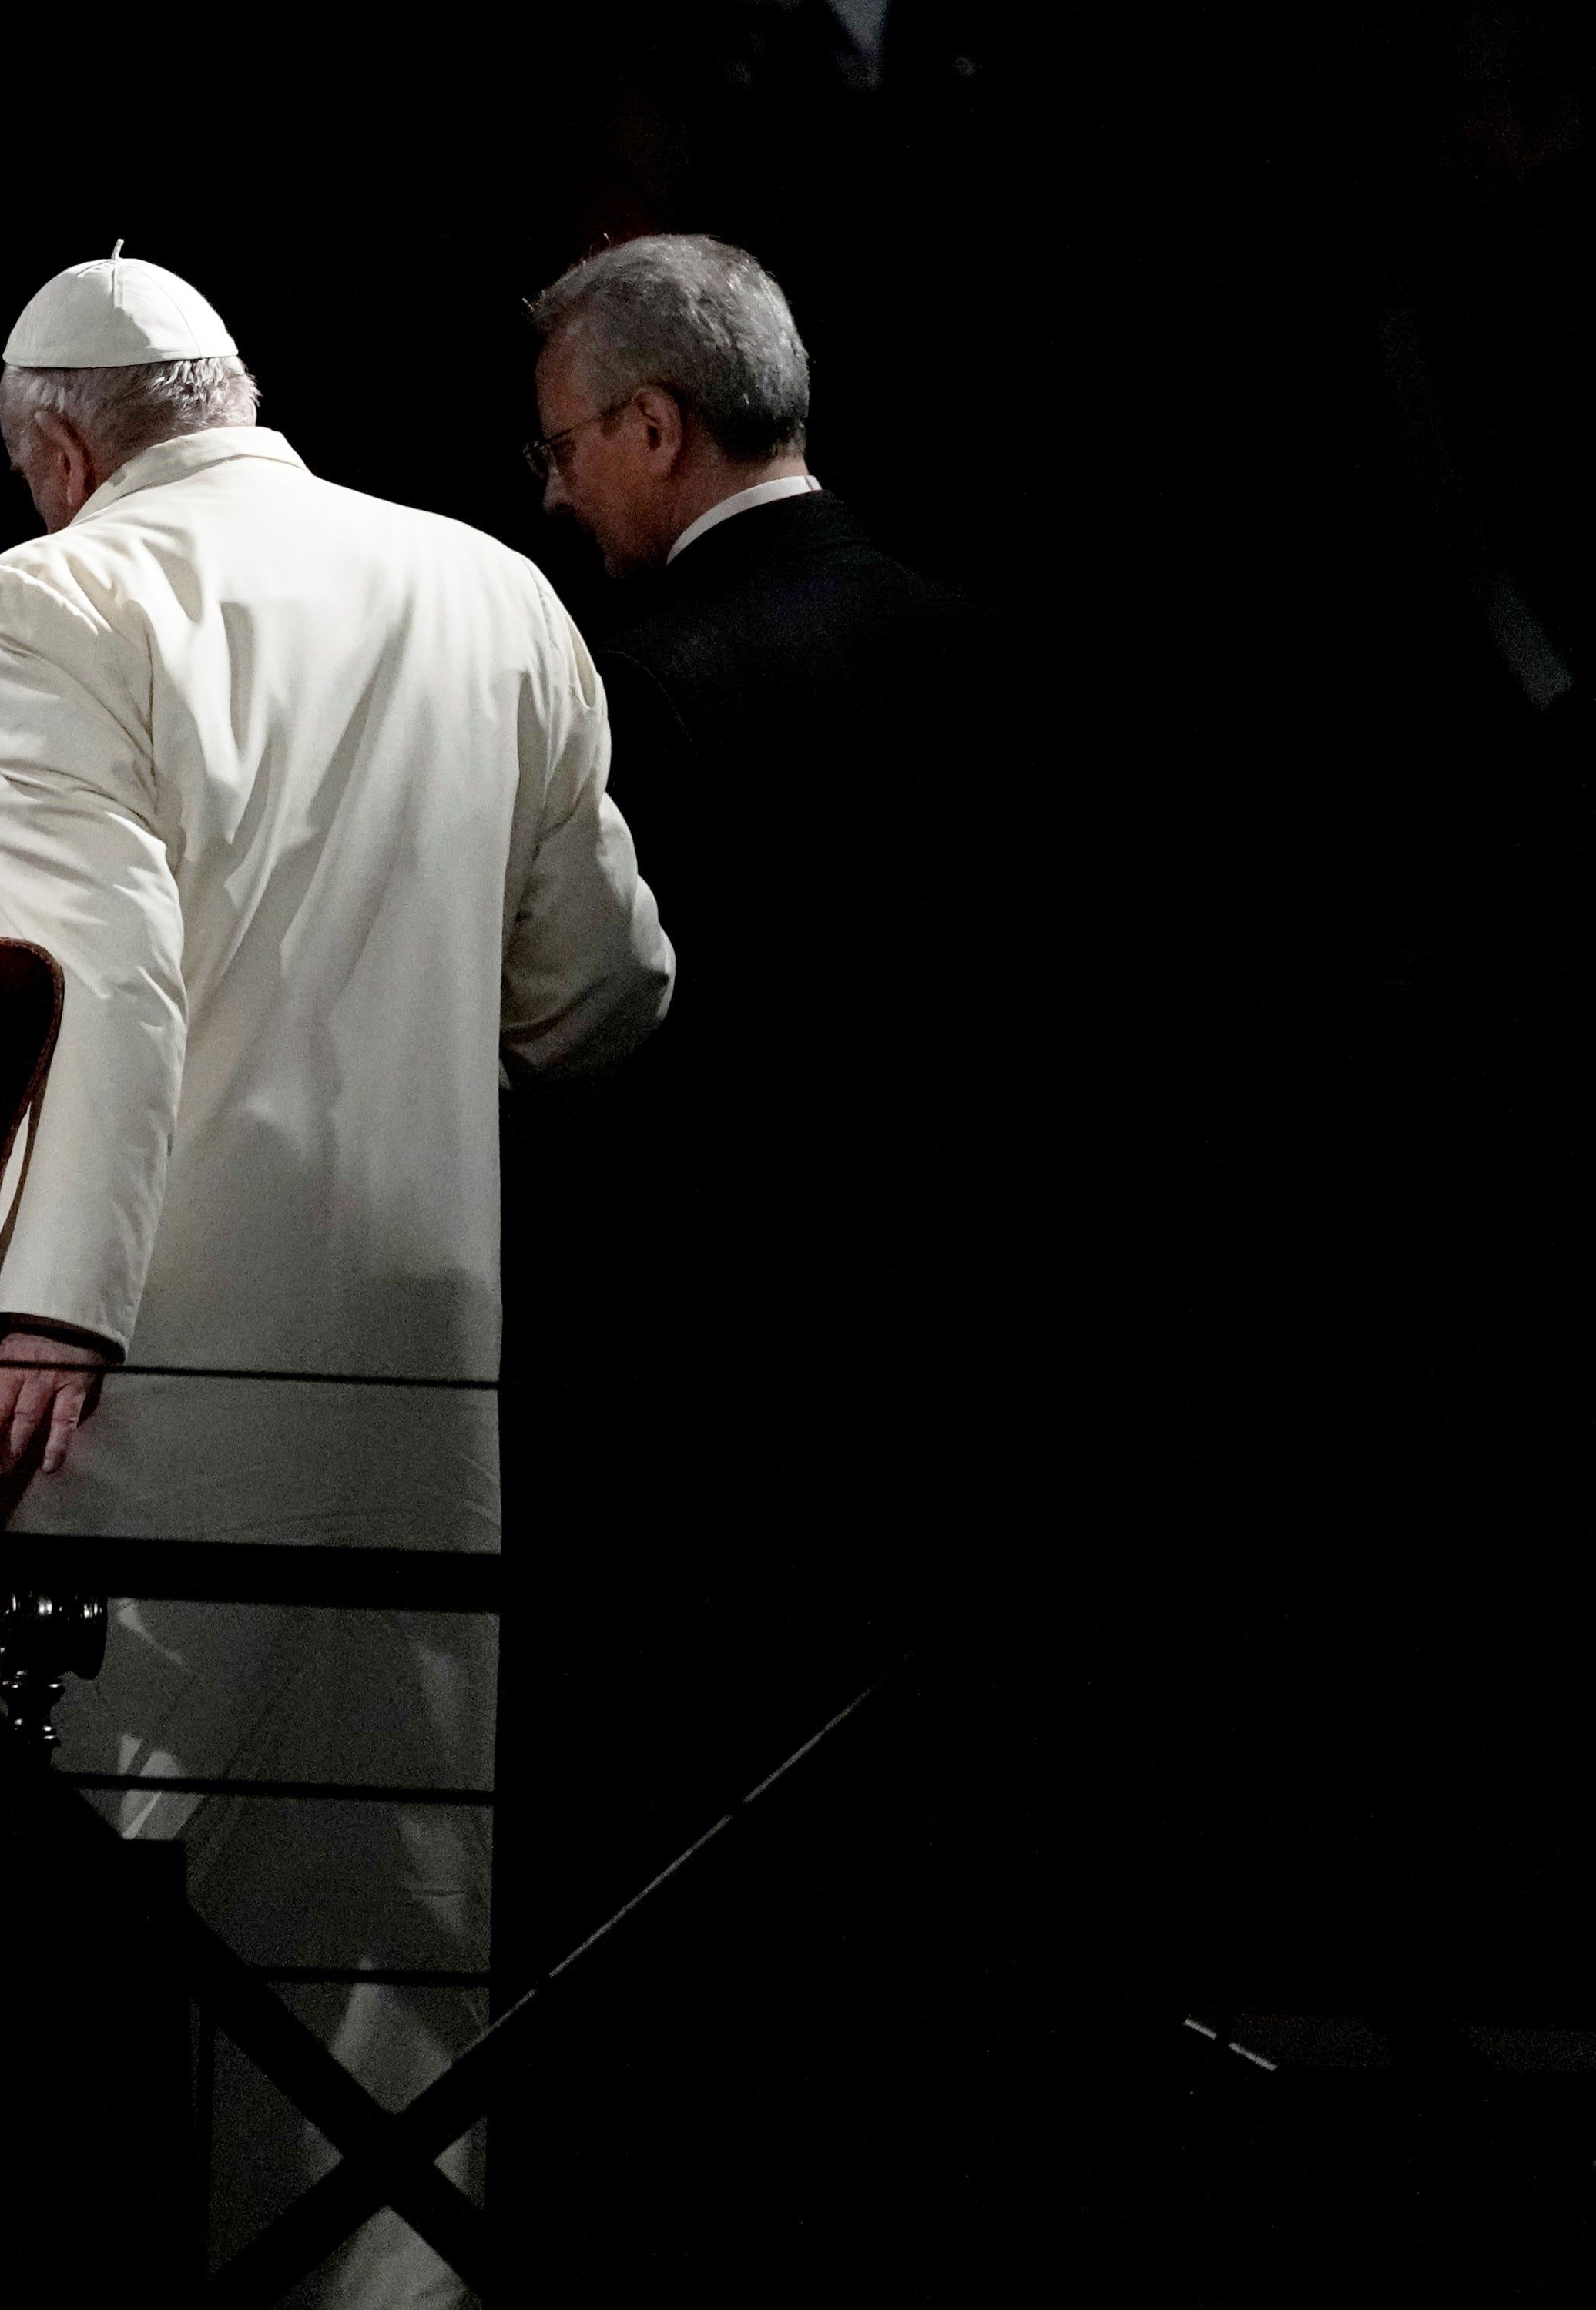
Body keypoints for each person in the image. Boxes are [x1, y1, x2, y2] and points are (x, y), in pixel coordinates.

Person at [0, 249, 675, 2305]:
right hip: (432, 1340)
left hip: (146, 1338)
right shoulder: (485, 586)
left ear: (60, 453)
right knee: (378, 1897)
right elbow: (601, 990)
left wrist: (48, 1304)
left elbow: (98, 956)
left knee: (79, 1858)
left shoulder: (41, 598)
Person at [501, 229, 1041, 2282]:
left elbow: (615, 1071)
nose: (549, 492)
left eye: (565, 446)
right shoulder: (994, 649)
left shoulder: (644, 692)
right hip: (970, 1396)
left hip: (719, 1420)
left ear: (653, 423)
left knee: (709, 1962)